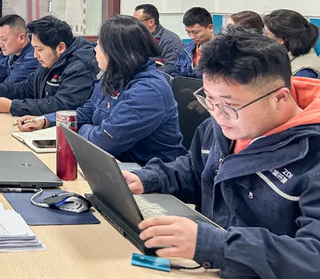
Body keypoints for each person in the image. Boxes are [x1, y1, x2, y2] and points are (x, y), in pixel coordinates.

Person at [122, 27, 320, 278]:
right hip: (212, 267)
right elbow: (195, 170)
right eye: (209, 100)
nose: (217, 115)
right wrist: (147, 178)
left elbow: (312, 258)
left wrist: (215, 245)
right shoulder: (223, 126)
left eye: (229, 105)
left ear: (280, 98)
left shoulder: (311, 156)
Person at [18, 16, 186, 165]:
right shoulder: (115, 76)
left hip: (144, 174)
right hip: (113, 166)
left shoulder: (148, 91)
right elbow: (87, 111)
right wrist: (46, 120)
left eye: (99, 45)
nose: (95, 49)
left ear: (116, 51)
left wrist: (79, 129)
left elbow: (104, 142)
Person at [0, 15, 99, 115]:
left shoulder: (80, 67)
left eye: (39, 49)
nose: (35, 55)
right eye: (34, 48)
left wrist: (13, 106)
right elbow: (28, 87)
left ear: (60, 47)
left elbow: (62, 105)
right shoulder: (49, 60)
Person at [263, 9, 320, 78]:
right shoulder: (284, 57)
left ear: (283, 40)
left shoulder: (304, 72)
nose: (263, 37)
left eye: (266, 34)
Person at [133, 4, 183, 74]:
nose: (134, 25)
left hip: (158, 78)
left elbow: (172, 67)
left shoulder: (171, 40)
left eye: (137, 22)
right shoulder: (135, 37)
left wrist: (145, 74)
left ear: (151, 22)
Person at [171, 7, 214, 78]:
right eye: (188, 32)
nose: (192, 36)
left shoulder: (222, 52)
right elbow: (176, 73)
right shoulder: (187, 49)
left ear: (210, 28)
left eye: (195, 32)